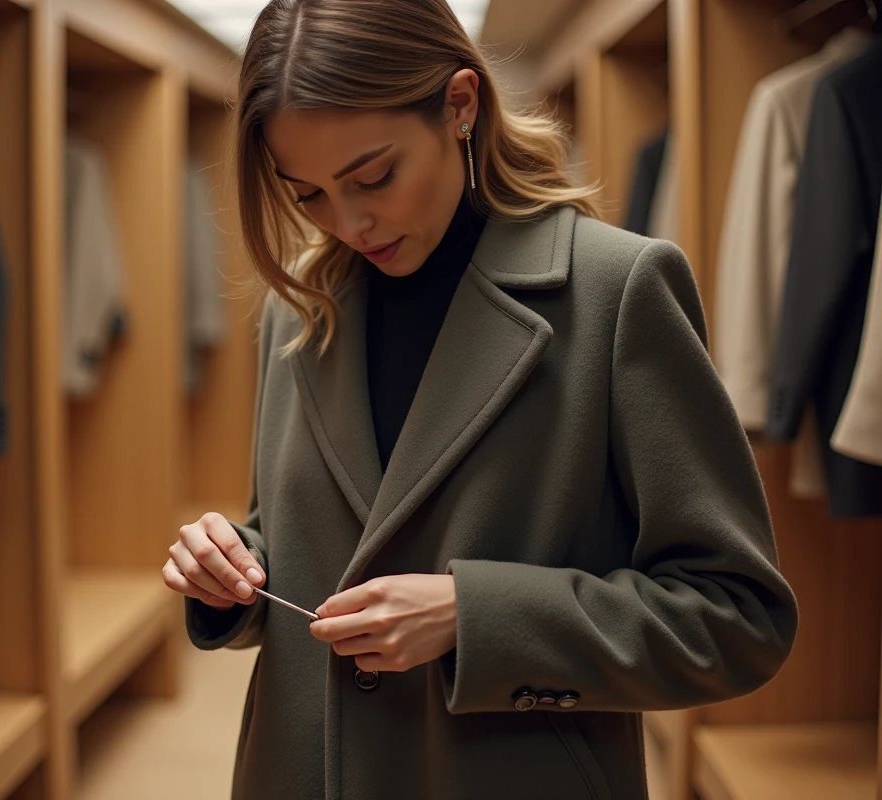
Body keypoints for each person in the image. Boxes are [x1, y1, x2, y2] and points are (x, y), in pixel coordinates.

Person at [161, 1, 799, 798]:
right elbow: (309, 536)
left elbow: (736, 618)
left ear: (460, 105)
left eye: (373, 176)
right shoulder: (298, 310)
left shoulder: (615, 291)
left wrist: (477, 614)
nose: (348, 222)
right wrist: (234, 566)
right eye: (309, 195)